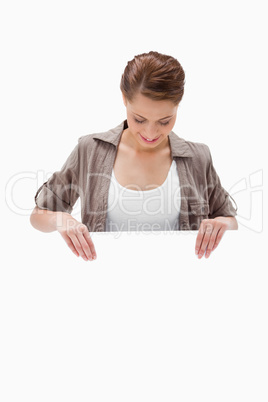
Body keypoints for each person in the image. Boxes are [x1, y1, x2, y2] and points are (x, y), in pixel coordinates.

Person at [30, 51, 238, 261]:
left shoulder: (198, 157)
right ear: (124, 98)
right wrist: (60, 220)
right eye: (139, 119)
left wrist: (222, 225)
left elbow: (230, 220)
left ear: (178, 105)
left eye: (164, 121)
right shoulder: (90, 150)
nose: (150, 133)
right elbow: (38, 215)